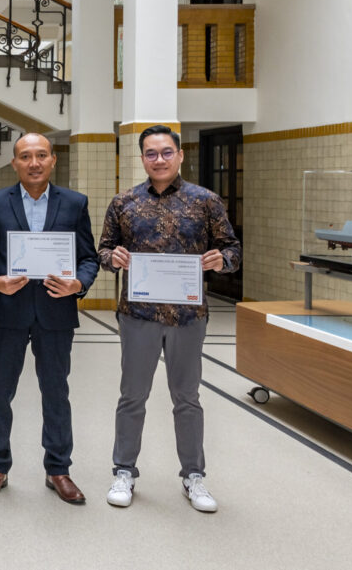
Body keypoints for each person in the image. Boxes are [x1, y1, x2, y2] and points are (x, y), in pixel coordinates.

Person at [97, 124, 241, 513]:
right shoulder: (123, 203)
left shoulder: (206, 201)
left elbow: (232, 249)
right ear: (141, 158)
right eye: (150, 153)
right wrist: (114, 258)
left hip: (187, 315)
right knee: (133, 396)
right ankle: (124, 470)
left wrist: (221, 260)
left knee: (187, 397)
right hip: (138, 314)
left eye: (165, 152)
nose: (158, 159)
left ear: (179, 155)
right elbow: (103, 250)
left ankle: (194, 476)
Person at [0, 133, 99, 504]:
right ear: (15, 163)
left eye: (41, 155)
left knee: (56, 393)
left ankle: (58, 470)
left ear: (53, 160)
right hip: (8, 312)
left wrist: (79, 283)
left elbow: (89, 258)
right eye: (25, 156)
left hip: (56, 313)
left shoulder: (75, 203)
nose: (34, 162)